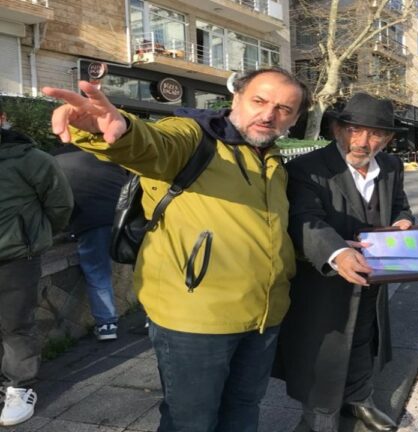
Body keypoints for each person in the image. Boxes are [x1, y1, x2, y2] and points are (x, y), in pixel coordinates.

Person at [42, 67, 311, 432]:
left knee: (244, 408)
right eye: (259, 101)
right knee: (190, 421)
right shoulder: (193, 137)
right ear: (236, 98)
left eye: (283, 109)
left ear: (294, 118)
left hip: (264, 317)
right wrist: (111, 128)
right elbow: (151, 143)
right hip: (196, 317)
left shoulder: (273, 160)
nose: (268, 114)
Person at [277, 92, 414, 432]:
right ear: (337, 129)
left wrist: (403, 222)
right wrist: (338, 252)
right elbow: (304, 218)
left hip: (373, 276)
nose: (364, 142)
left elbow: (400, 205)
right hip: (324, 280)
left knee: (364, 337)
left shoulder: (391, 167)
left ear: (388, 138)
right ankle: (319, 419)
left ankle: (360, 399)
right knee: (322, 351)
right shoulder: (306, 168)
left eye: (376, 133)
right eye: (354, 130)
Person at [0, 105, 73, 426]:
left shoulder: (32, 160)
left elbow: (61, 205)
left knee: (15, 324)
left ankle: (19, 386)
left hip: (17, 257)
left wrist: (35, 237)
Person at [54, 146, 127, 341]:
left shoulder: (55, 159)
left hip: (91, 221)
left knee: (98, 272)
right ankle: (152, 318)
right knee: (142, 267)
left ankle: (107, 325)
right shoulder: (105, 152)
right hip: (125, 216)